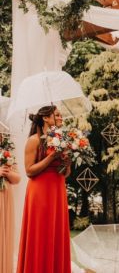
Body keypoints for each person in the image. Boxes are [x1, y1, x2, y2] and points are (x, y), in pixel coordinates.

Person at [17, 106, 72, 273]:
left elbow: (66, 173)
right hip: (40, 192)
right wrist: (51, 157)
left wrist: (67, 162)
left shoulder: (62, 140)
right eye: (57, 115)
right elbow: (29, 171)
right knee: (40, 233)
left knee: (56, 233)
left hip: (57, 191)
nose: (61, 117)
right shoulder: (34, 140)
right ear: (46, 119)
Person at [0, 141, 21, 273]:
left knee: (5, 235)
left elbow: (17, 179)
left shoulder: (6, 154)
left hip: (6, 200)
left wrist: (7, 173)